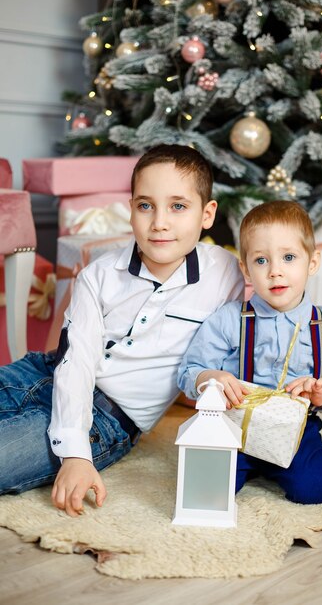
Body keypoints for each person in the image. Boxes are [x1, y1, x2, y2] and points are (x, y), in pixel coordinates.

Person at [0, 144, 244, 516]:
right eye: (146, 205)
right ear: (130, 209)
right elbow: (75, 359)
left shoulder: (227, 274)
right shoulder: (98, 274)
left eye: (178, 206)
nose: (159, 222)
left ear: (207, 214)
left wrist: (77, 454)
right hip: (41, 373)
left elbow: (268, 316)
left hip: (109, 419)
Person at [178, 200, 322, 504]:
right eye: (262, 260)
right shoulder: (230, 319)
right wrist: (211, 376)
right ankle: (251, 468)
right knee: (207, 490)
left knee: (310, 488)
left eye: (289, 257)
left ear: (312, 263)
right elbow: (188, 371)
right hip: (236, 429)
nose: (276, 272)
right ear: (246, 268)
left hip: (295, 431)